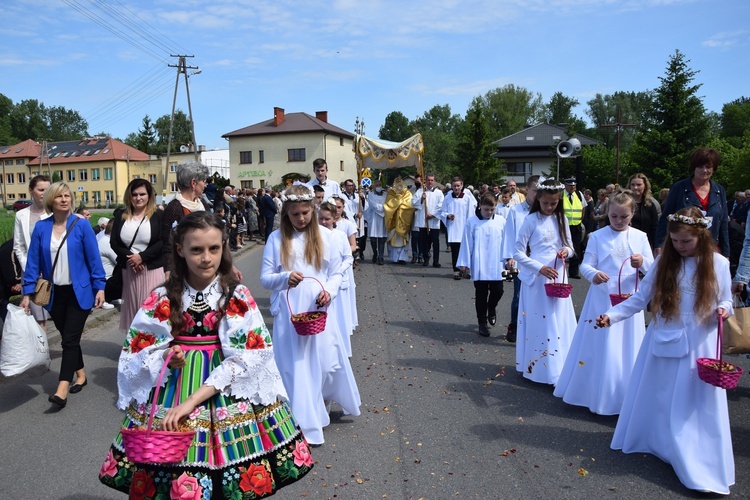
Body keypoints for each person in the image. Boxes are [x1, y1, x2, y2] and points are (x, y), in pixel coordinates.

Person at [99, 212, 312, 497]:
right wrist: (164, 355)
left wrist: (189, 403)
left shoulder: (235, 295)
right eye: (196, 250)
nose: (206, 258)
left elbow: (248, 356)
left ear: (223, 247)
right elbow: (138, 346)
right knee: (174, 468)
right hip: (175, 381)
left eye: (214, 248)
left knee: (228, 470)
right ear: (180, 250)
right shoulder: (162, 296)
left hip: (222, 383)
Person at [597, 206, 735, 495]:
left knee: (691, 401)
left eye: (686, 241)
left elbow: (726, 300)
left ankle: (693, 456)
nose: (679, 246)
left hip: (700, 342)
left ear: (701, 236)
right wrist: (613, 315)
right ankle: (659, 441)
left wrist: (723, 309)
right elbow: (640, 297)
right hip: (665, 336)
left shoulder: (719, 264)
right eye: (674, 241)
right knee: (661, 393)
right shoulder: (664, 263)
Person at [260, 185, 361, 446]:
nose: (301, 219)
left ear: (313, 210)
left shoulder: (327, 237)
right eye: (295, 215)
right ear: (286, 215)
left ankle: (322, 402)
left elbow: (337, 272)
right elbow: (266, 278)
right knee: (297, 367)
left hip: (318, 308)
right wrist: (284, 278)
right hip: (291, 310)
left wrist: (329, 290)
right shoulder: (276, 239)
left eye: (305, 213)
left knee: (324, 363)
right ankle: (304, 422)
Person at [553, 190, 654, 414]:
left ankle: (624, 395)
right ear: (607, 213)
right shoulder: (597, 237)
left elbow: (653, 268)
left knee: (627, 346)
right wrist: (594, 274)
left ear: (632, 214)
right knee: (600, 342)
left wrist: (643, 262)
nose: (618, 221)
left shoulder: (640, 236)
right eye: (614, 216)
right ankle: (591, 392)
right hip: (602, 298)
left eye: (624, 217)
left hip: (629, 299)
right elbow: (585, 265)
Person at [20, 182, 106, 408]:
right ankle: (81, 375)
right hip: (54, 293)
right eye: (60, 196)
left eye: (67, 196)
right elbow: (33, 262)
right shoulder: (41, 228)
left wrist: (100, 287)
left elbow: (94, 259)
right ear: (51, 200)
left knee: (69, 340)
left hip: (80, 292)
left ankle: (61, 389)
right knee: (69, 337)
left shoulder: (82, 225)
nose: (65, 199)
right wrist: (27, 292)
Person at [513, 178, 576, 385]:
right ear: (538, 199)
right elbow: (518, 253)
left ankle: (560, 366)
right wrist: (539, 268)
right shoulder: (530, 221)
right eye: (546, 203)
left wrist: (565, 251)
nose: (549, 207)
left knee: (558, 320)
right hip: (538, 278)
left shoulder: (562, 220)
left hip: (558, 275)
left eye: (554, 203)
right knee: (542, 321)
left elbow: (571, 247)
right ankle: (540, 367)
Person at [111, 178, 165, 331]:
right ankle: (135, 347)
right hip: (130, 270)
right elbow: (114, 242)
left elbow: (163, 242)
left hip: (152, 270)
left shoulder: (158, 215)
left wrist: (142, 257)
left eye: (142, 194)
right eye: (134, 194)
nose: (138, 198)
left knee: (152, 311)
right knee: (134, 311)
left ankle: (154, 347)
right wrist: (131, 258)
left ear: (149, 196)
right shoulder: (121, 215)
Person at [656, 147, 730, 257]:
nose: (704, 170)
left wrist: (726, 253)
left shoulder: (719, 191)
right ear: (693, 167)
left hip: (711, 249)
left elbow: (723, 224)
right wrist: (659, 245)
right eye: (700, 166)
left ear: (714, 168)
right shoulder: (679, 188)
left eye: (708, 167)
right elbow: (666, 218)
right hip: (682, 250)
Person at [457, 193, 507, 337]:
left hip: (496, 262)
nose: (489, 212)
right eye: (486, 209)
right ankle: (482, 323)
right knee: (481, 294)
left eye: (492, 209)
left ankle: (491, 308)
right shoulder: (472, 222)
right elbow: (466, 243)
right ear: (480, 207)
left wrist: (509, 259)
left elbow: (507, 242)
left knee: (498, 291)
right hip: (479, 263)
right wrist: (464, 263)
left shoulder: (501, 221)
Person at [13, 174, 52, 330]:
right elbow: (19, 245)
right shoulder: (21, 215)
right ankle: (42, 351)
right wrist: (29, 268)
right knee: (37, 315)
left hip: (55, 270)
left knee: (59, 312)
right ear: (31, 191)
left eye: (48, 189)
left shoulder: (55, 213)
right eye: (40, 189)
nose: (44, 193)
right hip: (31, 272)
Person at [503, 175, 539, 343]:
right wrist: (509, 257)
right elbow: (509, 234)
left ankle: (533, 326)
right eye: (536, 191)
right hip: (521, 260)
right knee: (519, 296)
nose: (538, 195)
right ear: (527, 190)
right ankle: (514, 325)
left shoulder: (544, 211)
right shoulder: (516, 211)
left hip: (539, 262)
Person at [318, 200, 357, 356]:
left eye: (327, 219)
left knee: (338, 316)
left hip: (337, 283)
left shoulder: (340, 235)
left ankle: (339, 349)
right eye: (321, 218)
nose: (324, 222)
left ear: (334, 218)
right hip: (321, 282)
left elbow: (348, 258)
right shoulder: (314, 235)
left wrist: (338, 272)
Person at [161, 160, 211, 273]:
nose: (205, 185)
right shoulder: (174, 208)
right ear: (193, 183)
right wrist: (168, 271)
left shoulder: (203, 205)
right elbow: (166, 244)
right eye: (203, 181)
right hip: (183, 268)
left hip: (205, 264)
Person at [439, 175, 477, 279]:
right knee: (455, 251)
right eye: (454, 186)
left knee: (466, 250)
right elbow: (442, 212)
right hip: (453, 228)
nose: (456, 188)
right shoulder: (447, 198)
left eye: (458, 186)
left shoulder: (467, 198)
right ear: (452, 186)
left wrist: (470, 227)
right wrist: (448, 215)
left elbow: (471, 214)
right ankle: (456, 270)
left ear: (462, 185)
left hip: (464, 229)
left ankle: (466, 269)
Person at [413, 173, 445, 268]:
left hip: (434, 221)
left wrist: (433, 214)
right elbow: (413, 202)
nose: (430, 182)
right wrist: (421, 200)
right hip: (423, 221)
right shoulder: (420, 192)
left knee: (435, 241)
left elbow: (441, 205)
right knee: (424, 242)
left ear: (434, 182)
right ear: (425, 181)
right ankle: (426, 258)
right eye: (428, 180)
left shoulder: (439, 193)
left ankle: (436, 261)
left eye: (432, 180)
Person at [384, 177, 415, 265]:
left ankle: (402, 258)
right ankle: (395, 258)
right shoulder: (391, 193)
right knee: (393, 238)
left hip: (403, 220)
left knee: (403, 239)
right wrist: (397, 201)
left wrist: (399, 203)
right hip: (393, 220)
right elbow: (388, 205)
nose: (398, 187)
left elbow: (410, 205)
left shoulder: (408, 193)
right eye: (396, 185)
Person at [627, 173, 660, 249]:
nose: (635, 187)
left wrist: (657, 246)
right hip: (626, 242)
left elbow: (654, 228)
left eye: (639, 185)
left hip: (644, 243)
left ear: (645, 186)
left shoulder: (650, 205)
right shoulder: (623, 203)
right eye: (633, 185)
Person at [561, 177, 584, 279]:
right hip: (563, 226)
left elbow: (583, 208)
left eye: (574, 185)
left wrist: (580, 220)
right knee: (561, 247)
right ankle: (560, 271)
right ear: (565, 185)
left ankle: (574, 272)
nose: (573, 187)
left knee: (576, 249)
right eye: (570, 185)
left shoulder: (579, 194)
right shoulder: (561, 195)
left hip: (576, 226)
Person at [366, 180, 388, 265]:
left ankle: (381, 257)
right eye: (377, 185)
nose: (378, 186)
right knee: (373, 238)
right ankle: (375, 253)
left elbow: (388, 204)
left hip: (383, 219)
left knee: (382, 239)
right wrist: (383, 208)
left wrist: (384, 208)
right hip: (374, 218)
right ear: (374, 186)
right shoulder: (370, 195)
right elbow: (373, 205)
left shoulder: (386, 195)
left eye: (380, 185)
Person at [97, 219, 117, 310]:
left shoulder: (104, 239)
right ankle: (104, 300)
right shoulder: (107, 242)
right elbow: (118, 260)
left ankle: (112, 297)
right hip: (107, 279)